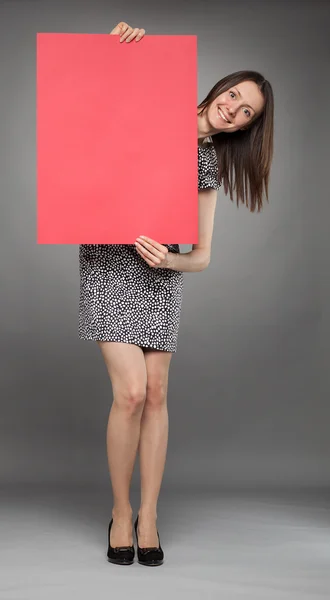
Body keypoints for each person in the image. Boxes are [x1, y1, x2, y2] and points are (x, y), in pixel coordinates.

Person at [78, 21, 274, 566]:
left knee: (158, 394)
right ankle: (121, 510)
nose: (234, 109)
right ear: (220, 86)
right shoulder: (153, 100)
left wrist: (171, 259)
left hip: (157, 278)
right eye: (235, 94)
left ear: (245, 128)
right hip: (108, 263)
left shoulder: (206, 164)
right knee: (132, 393)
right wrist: (121, 47)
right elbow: (89, 100)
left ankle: (150, 516)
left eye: (247, 113)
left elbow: (203, 255)